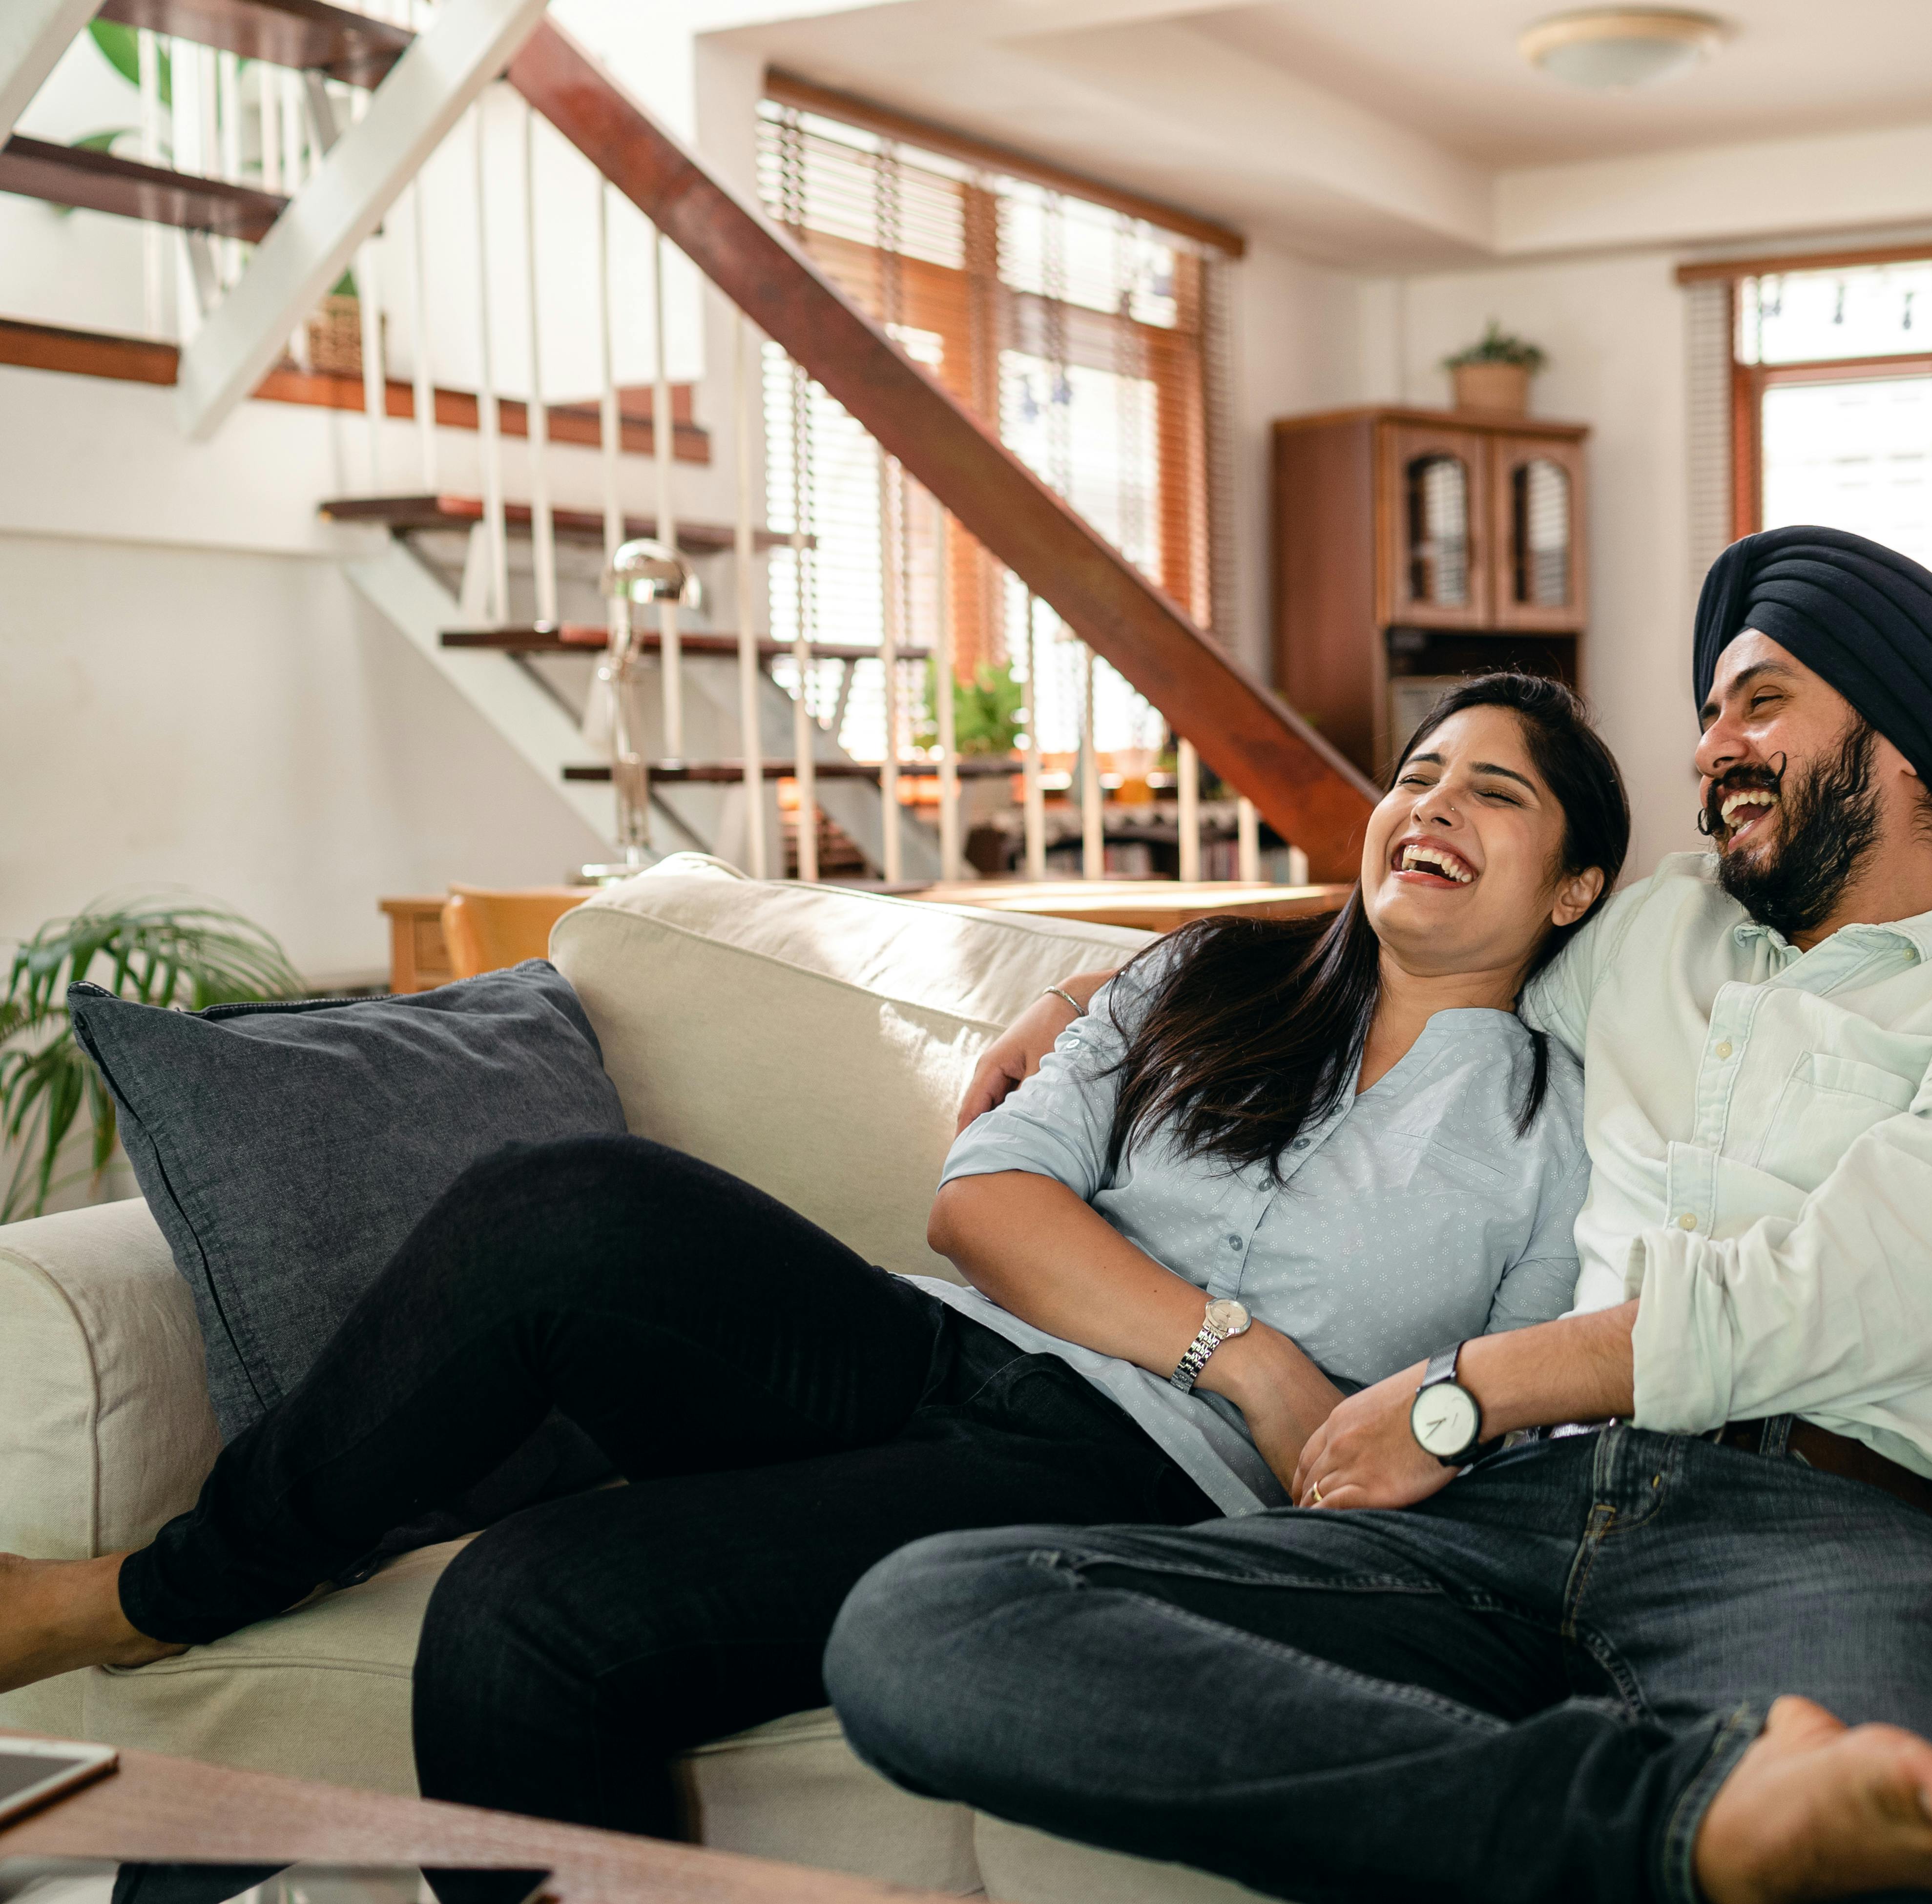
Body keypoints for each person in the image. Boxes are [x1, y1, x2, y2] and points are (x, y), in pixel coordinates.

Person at [0, 672, 1630, 1844]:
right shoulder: (1205, 975)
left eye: (1496, 793)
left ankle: (248, 1581)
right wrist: (1248, 1352)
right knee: (562, 1200)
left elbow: (1509, 1435)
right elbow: (982, 1200)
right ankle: (160, 1596)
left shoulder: (1564, 1137)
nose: (1432, 805)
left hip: (1123, 1485)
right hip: (938, 1346)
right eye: (1419, 773)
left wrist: (1356, 1432)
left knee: (523, 1618)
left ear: (1575, 886)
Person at [825, 526, 1932, 1904]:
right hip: (1501, 1516)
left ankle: (1683, 1819)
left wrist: (1468, 1389)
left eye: (1759, 702)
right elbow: (1420, 902)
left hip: (1823, 1533)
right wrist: (1107, 987)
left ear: (1911, 750)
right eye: (1706, 716)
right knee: (928, 1619)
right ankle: (1666, 1822)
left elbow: (1873, 1285)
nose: (1710, 748)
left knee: (1897, 1858)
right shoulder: (1659, 931)